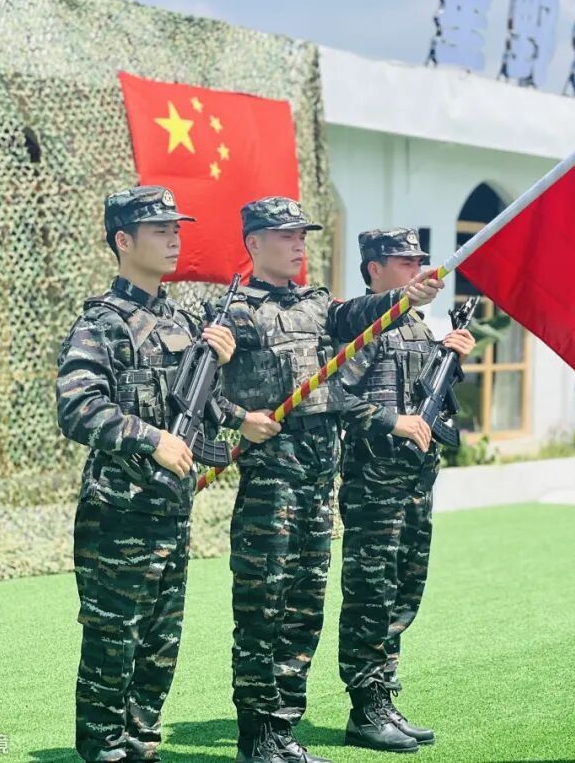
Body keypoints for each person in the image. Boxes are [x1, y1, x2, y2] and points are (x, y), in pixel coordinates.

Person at [216, 197, 441, 763]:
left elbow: (357, 316)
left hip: (318, 481)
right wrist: (240, 418)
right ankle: (257, 736)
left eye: (302, 235)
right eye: (286, 235)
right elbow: (190, 386)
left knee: (303, 611)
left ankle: (283, 731)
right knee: (264, 608)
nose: (299, 244)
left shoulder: (317, 304)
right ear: (254, 243)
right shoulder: (234, 311)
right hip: (272, 480)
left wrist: (405, 296)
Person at [56, 185, 237, 762]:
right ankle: (103, 747)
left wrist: (219, 365)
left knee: (161, 643)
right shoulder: (103, 324)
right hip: (119, 514)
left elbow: (205, 408)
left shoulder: (184, 322)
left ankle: (140, 743)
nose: (174, 239)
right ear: (124, 241)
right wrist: (153, 439)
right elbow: (78, 407)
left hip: (171, 511)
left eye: (176, 229)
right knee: (113, 639)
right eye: (160, 230)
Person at [336, 228, 475, 753]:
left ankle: (385, 696)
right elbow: (332, 395)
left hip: (416, 479)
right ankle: (364, 708)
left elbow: (422, 393)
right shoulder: (364, 325)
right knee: (370, 594)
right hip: (375, 481)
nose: (420, 270)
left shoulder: (416, 325)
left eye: (420, 260)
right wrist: (392, 422)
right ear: (375, 269)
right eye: (405, 262)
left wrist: (452, 355)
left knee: (402, 591)